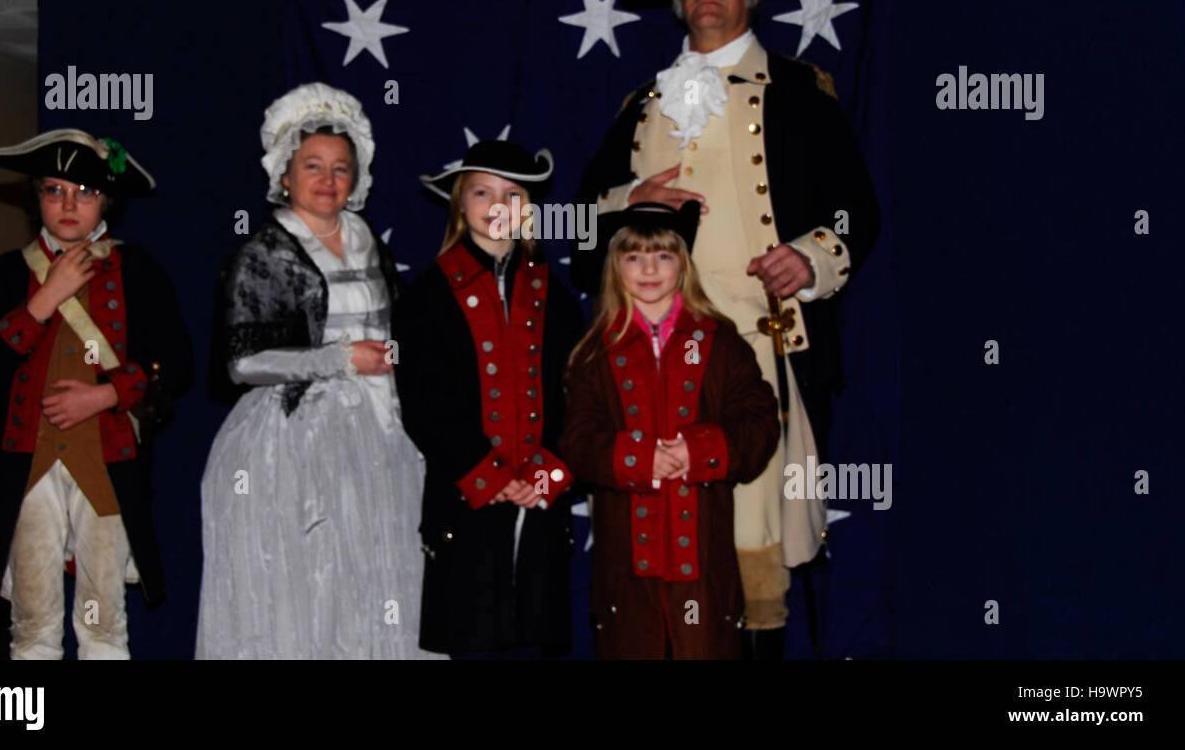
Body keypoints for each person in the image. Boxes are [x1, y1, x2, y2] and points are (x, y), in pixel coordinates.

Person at [574, 0, 881, 657]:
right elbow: (578, 233)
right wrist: (625, 202)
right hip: (646, 369)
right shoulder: (637, 106)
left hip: (760, 362)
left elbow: (856, 214)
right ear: (678, 1)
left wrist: (808, 259)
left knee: (755, 568)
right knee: (657, 562)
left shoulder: (802, 95)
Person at [196, 83, 432, 659]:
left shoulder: (366, 242)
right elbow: (241, 363)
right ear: (285, 173)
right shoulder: (264, 253)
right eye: (313, 166)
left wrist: (393, 365)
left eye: (340, 168)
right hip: (291, 439)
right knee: (308, 577)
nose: (328, 180)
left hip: (379, 431)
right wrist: (336, 361)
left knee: (376, 571)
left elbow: (397, 336)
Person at [0, 129, 192, 659]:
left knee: (104, 628)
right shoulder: (6, 273)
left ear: (106, 200)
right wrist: (46, 298)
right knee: (33, 627)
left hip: (106, 462)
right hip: (26, 469)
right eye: (54, 190)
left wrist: (107, 395)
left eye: (84, 192)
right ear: (37, 196)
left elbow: (177, 367)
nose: (68, 205)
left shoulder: (139, 270)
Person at [560, 202, 777, 659]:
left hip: (702, 557)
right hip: (626, 567)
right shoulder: (593, 354)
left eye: (663, 255)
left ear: (683, 265)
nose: (649, 269)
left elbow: (759, 422)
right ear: (614, 266)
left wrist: (701, 450)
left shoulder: (719, 342)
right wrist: (637, 459)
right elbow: (575, 441)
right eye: (634, 256)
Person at [392, 140, 583, 658]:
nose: (497, 206)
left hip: (542, 504)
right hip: (465, 500)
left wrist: (544, 475)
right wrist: (489, 474)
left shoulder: (555, 294)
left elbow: (582, 396)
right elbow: (424, 401)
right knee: (474, 635)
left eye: (512, 194)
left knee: (536, 636)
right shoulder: (426, 296)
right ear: (459, 202)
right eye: (482, 191)